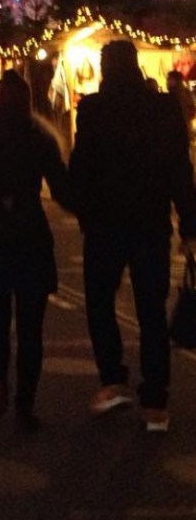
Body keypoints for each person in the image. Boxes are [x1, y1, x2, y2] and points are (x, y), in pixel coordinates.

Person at [69, 39, 196, 433]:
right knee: (152, 313)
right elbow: (180, 170)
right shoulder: (162, 108)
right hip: (150, 225)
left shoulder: (92, 109)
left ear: (107, 69)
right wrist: (189, 227)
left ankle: (114, 380)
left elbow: (80, 171)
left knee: (100, 302)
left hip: (105, 226)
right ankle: (156, 403)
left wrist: (84, 211)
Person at [0, 69, 75, 431]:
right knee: (32, 327)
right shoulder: (38, 139)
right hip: (31, 237)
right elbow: (62, 189)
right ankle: (25, 403)